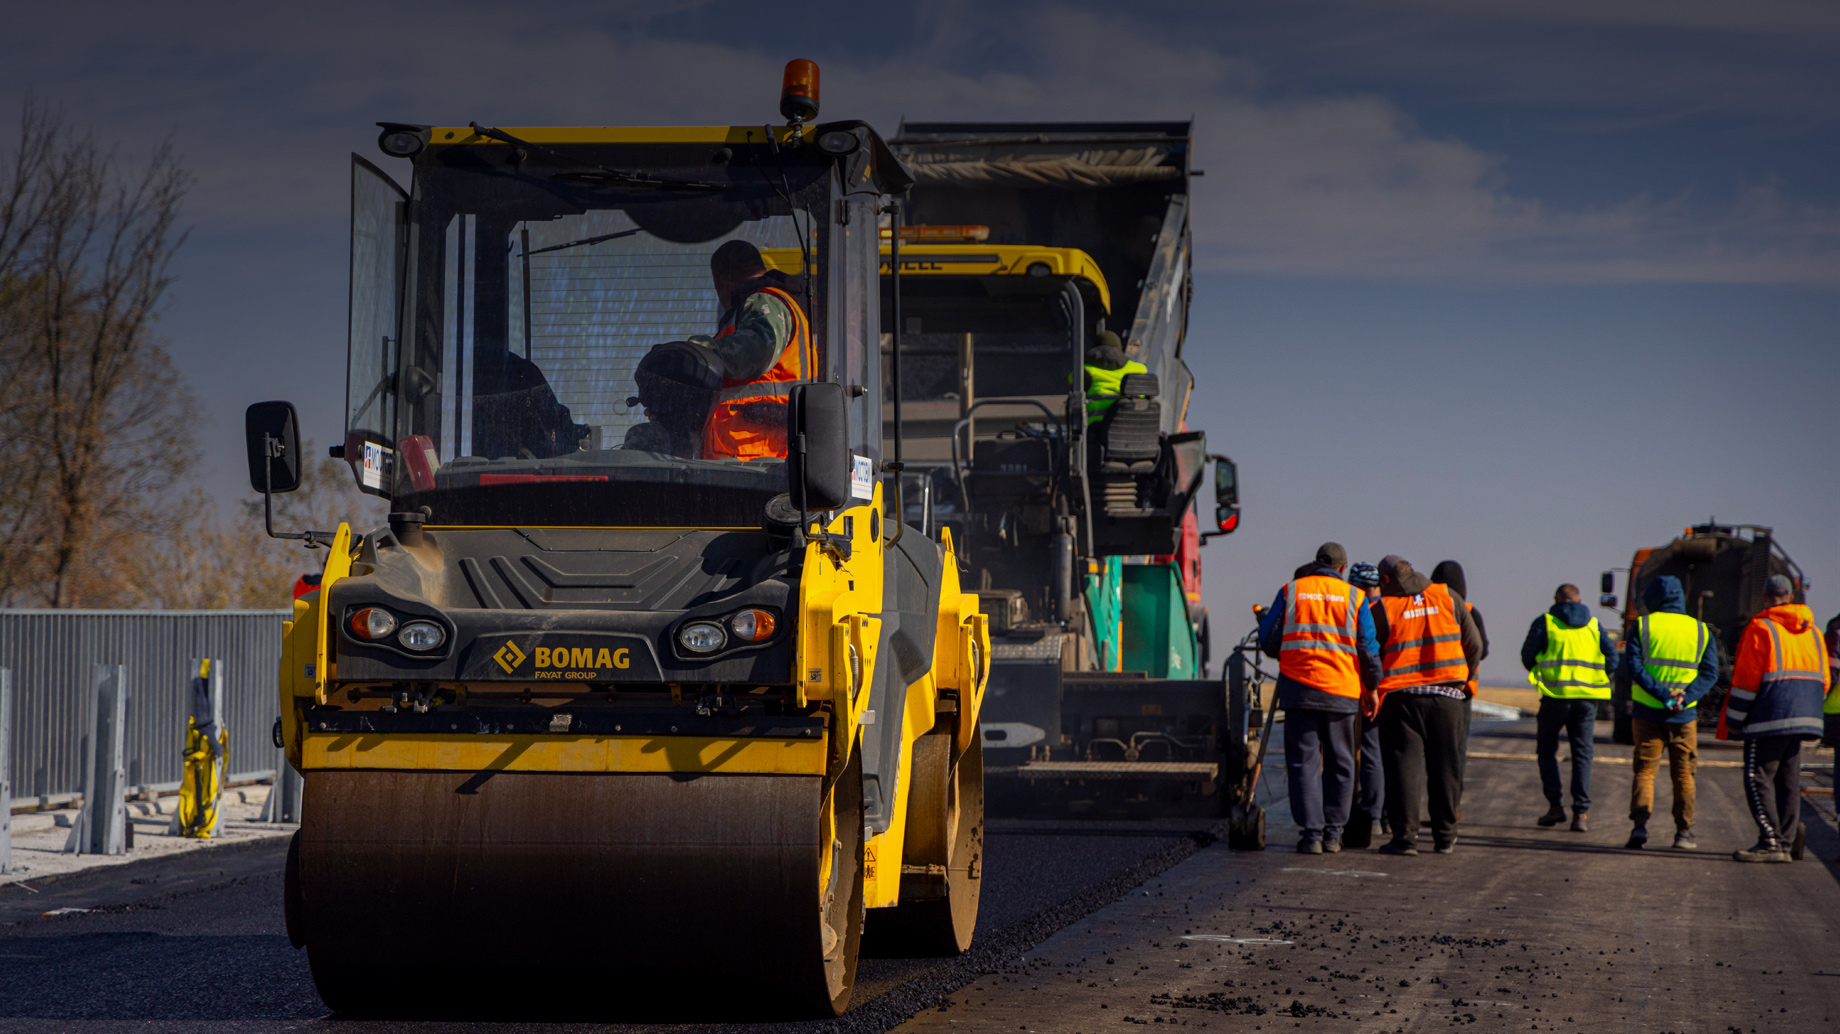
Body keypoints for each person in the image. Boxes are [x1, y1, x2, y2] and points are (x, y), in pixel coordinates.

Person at [1257, 543, 1382, 854]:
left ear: (1316, 563)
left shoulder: (1292, 590)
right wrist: (1372, 687)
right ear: (1342, 568)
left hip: (1299, 690)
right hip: (1341, 692)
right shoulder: (1355, 597)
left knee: (1303, 763)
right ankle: (1333, 833)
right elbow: (1368, 650)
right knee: (1341, 762)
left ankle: (1311, 835)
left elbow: (1269, 639)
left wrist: (1288, 653)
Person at [1366, 555, 1484, 855]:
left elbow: (1370, 651)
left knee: (1403, 768)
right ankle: (1445, 836)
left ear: (1386, 580)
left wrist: (1372, 688)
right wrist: (1463, 677)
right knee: (1446, 767)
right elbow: (1475, 645)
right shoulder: (1448, 597)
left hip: (1401, 700)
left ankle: (1405, 839)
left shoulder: (1383, 608)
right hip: (1448, 698)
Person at [1722, 575, 1831, 863]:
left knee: (1757, 776)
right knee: (1788, 778)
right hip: (1804, 715)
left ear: (1765, 597)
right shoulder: (1814, 632)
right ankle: (1786, 838)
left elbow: (1746, 680)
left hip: (1769, 714)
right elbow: (1826, 679)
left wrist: (1734, 719)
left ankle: (1771, 841)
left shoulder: (1761, 628)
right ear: (1792, 595)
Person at [1620, 575, 1719, 850]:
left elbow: (1634, 667)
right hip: (1684, 716)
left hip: (1647, 713)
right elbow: (1710, 673)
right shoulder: (1700, 630)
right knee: (1684, 774)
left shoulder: (1642, 626)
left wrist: (1663, 696)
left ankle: (1639, 827)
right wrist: (1685, 697)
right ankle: (1684, 833)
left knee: (1645, 771)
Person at [693, 240, 812, 460]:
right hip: (747, 458)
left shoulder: (764, 302)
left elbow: (753, 353)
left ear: (721, 280)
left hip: (759, 458)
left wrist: (696, 351)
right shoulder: (764, 307)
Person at [1520, 583, 1619, 833]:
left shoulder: (1546, 622)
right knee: (1583, 755)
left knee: (1546, 752)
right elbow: (1613, 658)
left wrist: (1544, 673)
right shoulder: (1594, 625)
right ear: (1579, 600)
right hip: (1586, 700)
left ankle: (1555, 806)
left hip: (1555, 697)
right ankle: (1581, 813)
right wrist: (1595, 676)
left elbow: (1527, 656)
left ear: (1557, 599)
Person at [1344, 561, 1386, 848]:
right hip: (1381, 689)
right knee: (1374, 754)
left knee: (1346, 753)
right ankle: (1375, 816)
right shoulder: (1388, 608)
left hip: (1354, 688)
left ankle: (1348, 812)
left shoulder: (1354, 607)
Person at [1081, 330, 1147, 425]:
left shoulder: (1084, 370)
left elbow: (1073, 384)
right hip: (1132, 427)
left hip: (1096, 430)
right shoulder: (1139, 369)